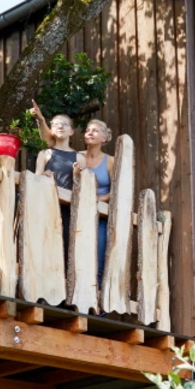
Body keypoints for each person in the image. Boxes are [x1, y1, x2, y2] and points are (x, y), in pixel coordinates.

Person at [72, 118, 115, 278]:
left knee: (98, 256)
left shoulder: (110, 161)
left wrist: (98, 200)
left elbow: (116, 190)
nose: (90, 133)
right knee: (75, 256)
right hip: (78, 213)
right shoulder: (77, 157)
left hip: (100, 216)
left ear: (104, 138)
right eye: (88, 130)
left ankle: (96, 297)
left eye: (95, 131)